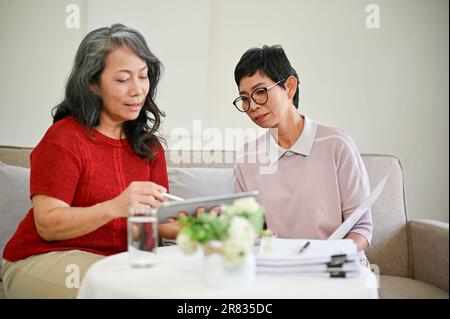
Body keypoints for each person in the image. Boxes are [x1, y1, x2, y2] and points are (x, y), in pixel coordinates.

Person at [0, 24, 180, 298]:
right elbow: (48, 225)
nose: (138, 90)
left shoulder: (149, 147)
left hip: (118, 263)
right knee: (123, 288)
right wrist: (115, 206)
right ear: (92, 83)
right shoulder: (64, 138)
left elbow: (152, 223)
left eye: (143, 77)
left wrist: (200, 229)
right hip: (44, 258)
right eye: (122, 80)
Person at [233, 45, 373, 253]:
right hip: (278, 271)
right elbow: (248, 232)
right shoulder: (247, 159)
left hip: (335, 269)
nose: (252, 106)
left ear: (290, 87)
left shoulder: (336, 144)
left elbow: (362, 228)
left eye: (260, 92)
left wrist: (327, 259)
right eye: (245, 99)